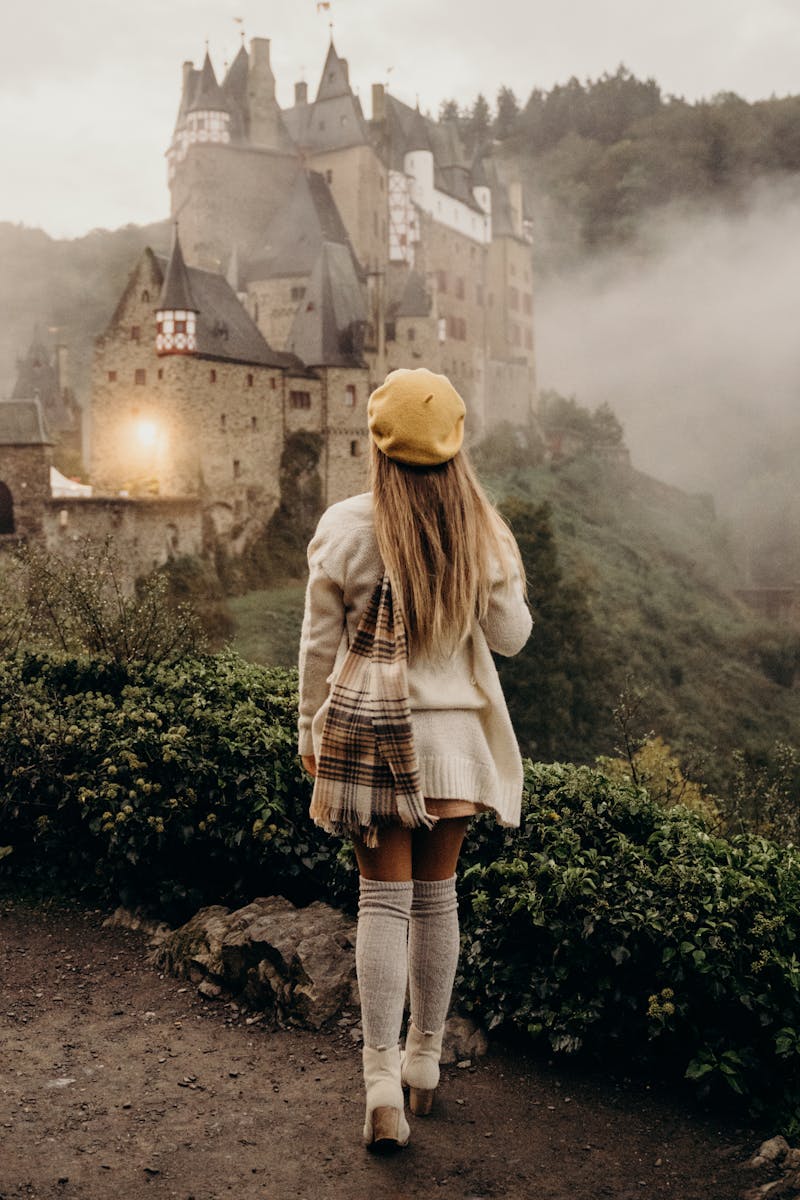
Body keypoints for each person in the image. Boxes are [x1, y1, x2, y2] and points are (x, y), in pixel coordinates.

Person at [297, 367, 532, 1153]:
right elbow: (511, 636)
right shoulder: (480, 528)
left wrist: (309, 732)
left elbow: (317, 650)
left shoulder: (344, 526)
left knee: (382, 907)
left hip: (370, 742)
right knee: (437, 902)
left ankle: (379, 1085)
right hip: (454, 745)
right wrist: (499, 565)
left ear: (378, 444)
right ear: (456, 446)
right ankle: (426, 1060)